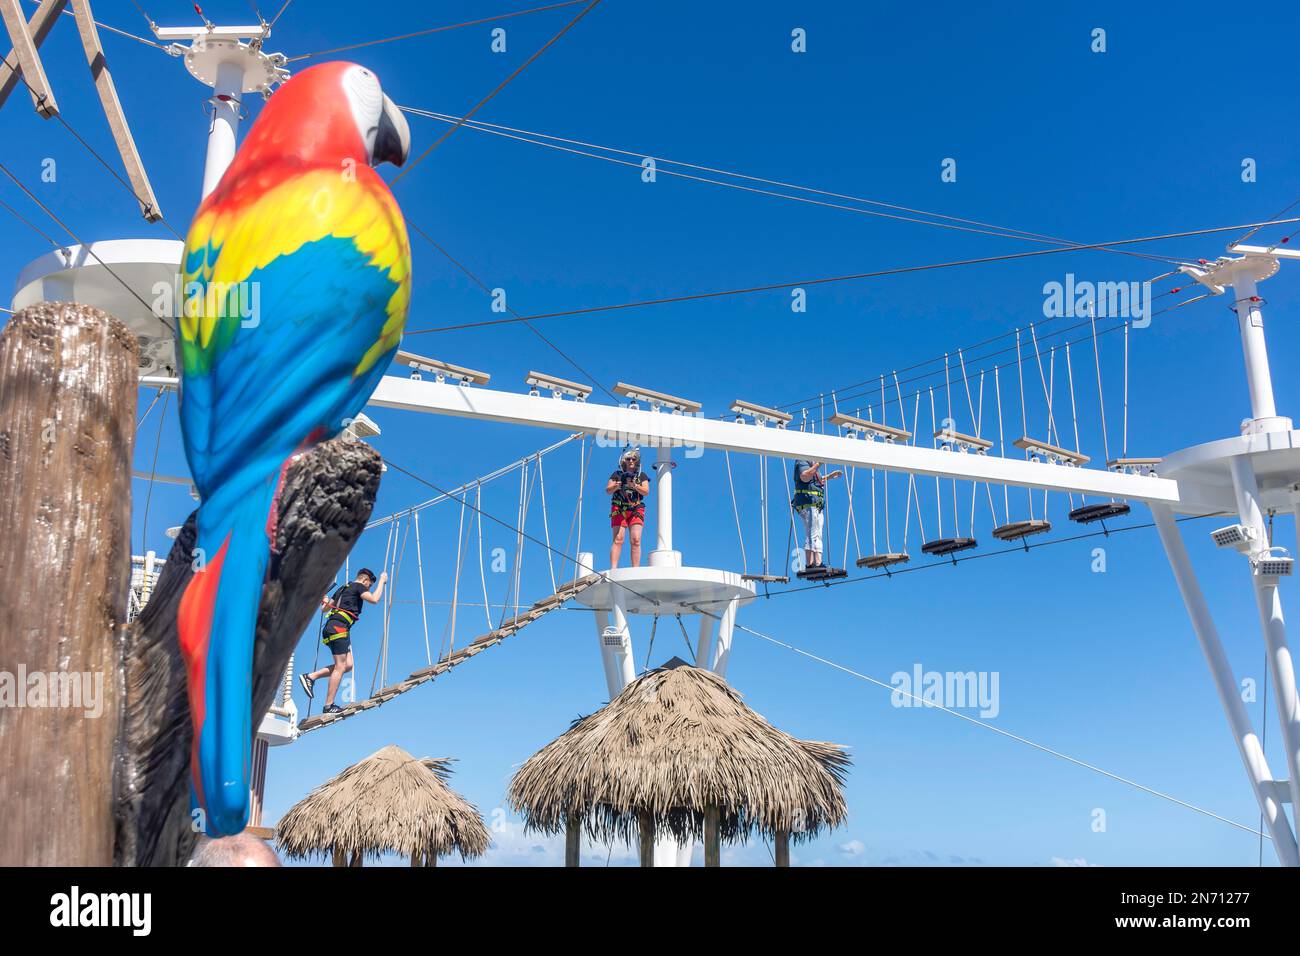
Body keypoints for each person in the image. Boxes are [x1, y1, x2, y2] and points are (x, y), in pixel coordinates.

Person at [299, 568, 386, 714]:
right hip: (339, 628)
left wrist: (325, 601)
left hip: (335, 628)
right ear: (365, 581)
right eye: (369, 585)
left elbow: (324, 609)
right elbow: (375, 599)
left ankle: (312, 676)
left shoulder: (342, 588)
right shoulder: (358, 586)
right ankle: (328, 706)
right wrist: (382, 581)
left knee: (348, 665)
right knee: (340, 666)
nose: (368, 588)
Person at [791, 460, 842, 571]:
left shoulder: (812, 465)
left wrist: (830, 476)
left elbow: (815, 480)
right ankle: (809, 564)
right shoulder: (802, 461)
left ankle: (818, 563)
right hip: (808, 503)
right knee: (812, 533)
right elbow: (805, 477)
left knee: (817, 534)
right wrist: (818, 463)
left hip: (816, 504)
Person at [606, 448, 651, 569]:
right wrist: (617, 485)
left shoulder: (641, 475)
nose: (631, 460)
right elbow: (608, 490)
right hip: (619, 506)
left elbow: (646, 491)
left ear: (637, 461)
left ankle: (635, 568)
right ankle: (614, 568)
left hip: (636, 507)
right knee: (618, 538)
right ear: (624, 461)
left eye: (633, 458)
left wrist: (635, 486)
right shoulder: (617, 474)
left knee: (636, 540)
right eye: (628, 458)